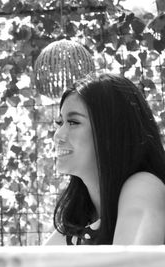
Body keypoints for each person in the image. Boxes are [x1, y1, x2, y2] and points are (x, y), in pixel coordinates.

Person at [44, 73, 165, 245]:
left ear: (111, 132)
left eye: (73, 122)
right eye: (59, 122)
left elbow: (130, 263)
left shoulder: (144, 185)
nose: (58, 135)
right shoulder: (81, 218)